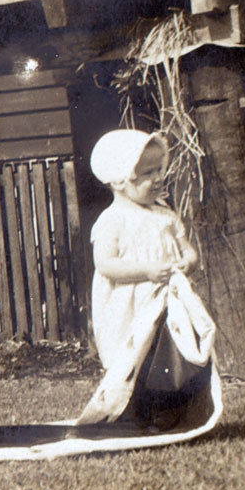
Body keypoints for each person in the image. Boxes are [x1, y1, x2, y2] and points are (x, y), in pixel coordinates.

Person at [78, 129, 216, 428]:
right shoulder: (112, 220)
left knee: (166, 358)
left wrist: (185, 263)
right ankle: (128, 413)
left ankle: (166, 411)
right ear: (119, 179)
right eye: (146, 173)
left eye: (159, 170)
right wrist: (147, 271)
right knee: (133, 359)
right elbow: (106, 265)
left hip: (167, 304)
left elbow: (189, 253)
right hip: (130, 305)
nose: (158, 178)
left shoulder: (165, 215)